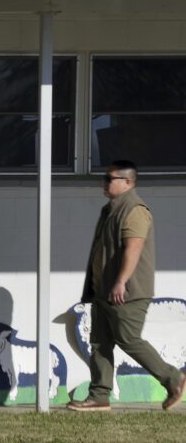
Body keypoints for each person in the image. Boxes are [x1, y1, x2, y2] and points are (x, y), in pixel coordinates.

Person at [67, 160, 186, 412]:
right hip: (104, 290)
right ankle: (99, 396)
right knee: (99, 342)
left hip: (126, 292)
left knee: (128, 338)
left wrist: (121, 281)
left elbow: (134, 247)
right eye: (105, 178)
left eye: (110, 178)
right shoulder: (109, 209)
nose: (105, 182)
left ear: (128, 182)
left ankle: (173, 378)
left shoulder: (134, 210)